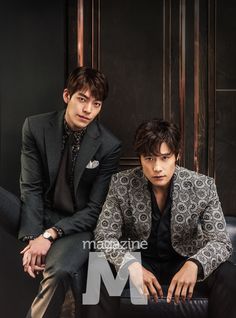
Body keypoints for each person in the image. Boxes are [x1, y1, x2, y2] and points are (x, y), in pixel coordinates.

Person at [0, 66, 121, 317]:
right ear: (67, 96)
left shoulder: (109, 146)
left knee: (58, 271)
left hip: (77, 226)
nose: (88, 110)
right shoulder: (35, 127)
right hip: (39, 213)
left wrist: (49, 236)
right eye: (82, 99)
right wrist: (35, 237)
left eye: (96, 104)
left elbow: (95, 210)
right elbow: (31, 188)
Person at [91, 118, 235, 318]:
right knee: (98, 267)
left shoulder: (202, 186)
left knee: (229, 273)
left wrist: (195, 264)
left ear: (177, 156)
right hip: (141, 260)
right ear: (140, 158)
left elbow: (221, 242)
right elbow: (104, 236)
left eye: (165, 157)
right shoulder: (121, 184)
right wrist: (129, 264)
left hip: (183, 260)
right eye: (149, 158)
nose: (157, 167)